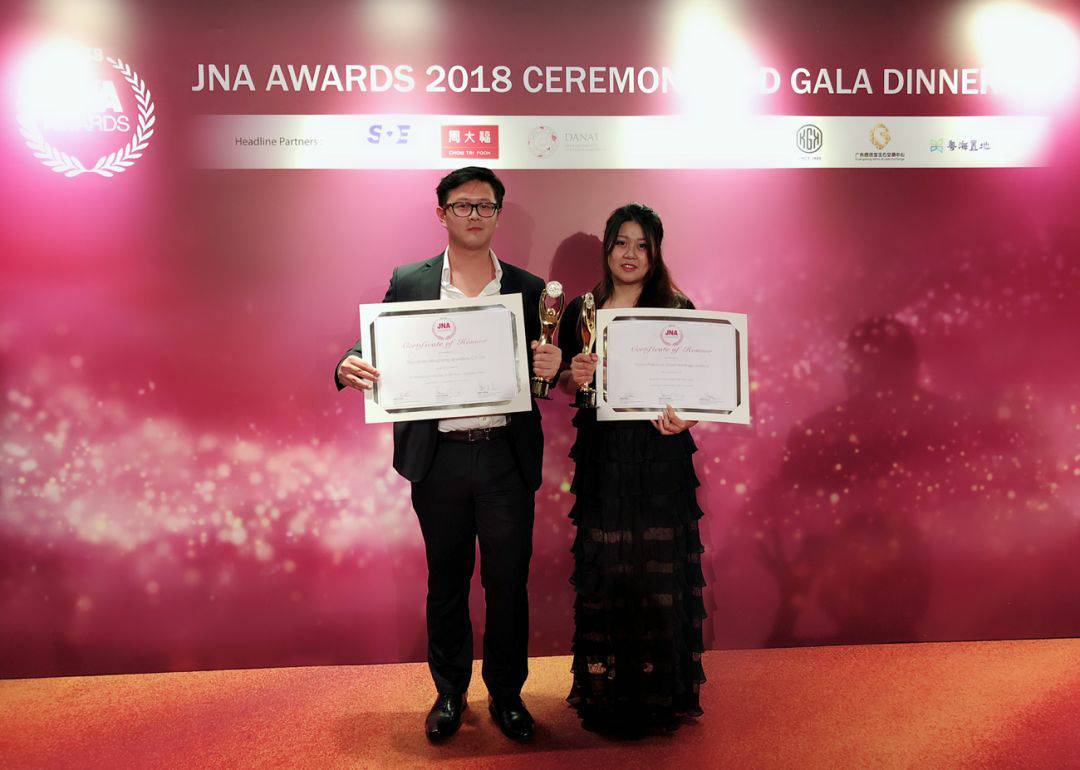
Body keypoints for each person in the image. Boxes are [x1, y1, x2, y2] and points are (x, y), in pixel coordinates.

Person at [335, 167, 561, 743]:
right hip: (438, 460)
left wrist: (555, 366)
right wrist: (346, 363)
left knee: (508, 584)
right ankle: (450, 691)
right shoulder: (410, 280)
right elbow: (375, 341)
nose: (474, 215)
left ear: (498, 214)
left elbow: (545, 368)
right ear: (442, 214)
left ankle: (507, 695)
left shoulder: (529, 289)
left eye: (486, 206)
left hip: (505, 458)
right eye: (462, 205)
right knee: (447, 581)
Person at [556, 203, 707, 734]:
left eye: (643, 245)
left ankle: (658, 692)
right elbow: (567, 381)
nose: (630, 254)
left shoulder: (678, 308)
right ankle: (608, 693)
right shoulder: (582, 309)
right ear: (607, 248)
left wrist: (688, 417)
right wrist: (574, 376)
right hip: (603, 457)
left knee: (657, 572)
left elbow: (701, 387)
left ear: (656, 252)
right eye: (621, 242)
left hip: (661, 458)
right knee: (609, 571)